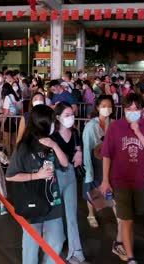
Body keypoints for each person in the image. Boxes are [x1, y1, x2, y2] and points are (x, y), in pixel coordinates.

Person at [100, 93, 144, 264]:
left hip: (139, 181)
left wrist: (138, 131)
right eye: (129, 109)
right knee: (127, 219)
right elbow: (106, 154)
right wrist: (105, 180)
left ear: (141, 110)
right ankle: (131, 256)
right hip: (119, 181)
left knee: (132, 218)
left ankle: (121, 243)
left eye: (136, 109)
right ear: (123, 110)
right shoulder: (115, 127)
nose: (132, 112)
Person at [5, 104, 68, 264]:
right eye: (53, 120)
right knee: (31, 243)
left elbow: (65, 164)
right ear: (43, 122)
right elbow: (10, 176)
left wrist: (54, 145)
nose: (56, 124)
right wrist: (37, 175)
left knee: (57, 240)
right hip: (31, 201)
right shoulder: (24, 147)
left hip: (53, 200)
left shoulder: (51, 142)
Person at [50, 102, 88, 264]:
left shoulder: (75, 132)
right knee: (56, 215)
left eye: (71, 114)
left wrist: (79, 152)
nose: (71, 118)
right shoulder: (51, 136)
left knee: (72, 214)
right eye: (67, 115)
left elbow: (78, 146)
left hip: (70, 175)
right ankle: (55, 247)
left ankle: (76, 252)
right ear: (58, 117)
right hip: (55, 176)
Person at [82, 95, 114, 229]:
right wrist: (88, 170)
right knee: (92, 189)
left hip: (109, 161)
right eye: (103, 106)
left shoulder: (112, 124)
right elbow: (87, 148)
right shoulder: (90, 126)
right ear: (97, 107)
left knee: (109, 188)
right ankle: (91, 214)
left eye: (109, 106)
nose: (107, 109)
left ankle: (116, 214)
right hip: (94, 162)